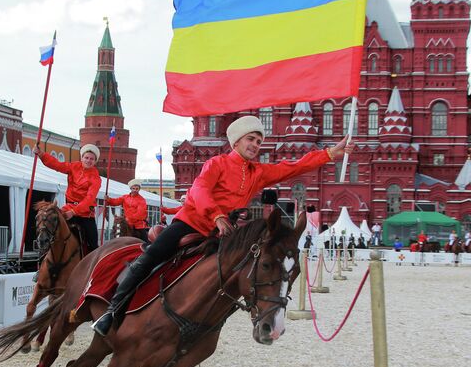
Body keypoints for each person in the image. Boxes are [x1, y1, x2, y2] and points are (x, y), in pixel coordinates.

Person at [92, 115, 353, 337]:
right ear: (236, 141)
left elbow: (292, 167)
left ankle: (193, 337)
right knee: (150, 257)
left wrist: (330, 154)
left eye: (259, 141)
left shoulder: (258, 172)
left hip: (221, 232)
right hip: (191, 222)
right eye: (251, 139)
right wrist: (217, 215)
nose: (255, 145)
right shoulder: (215, 163)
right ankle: (113, 311)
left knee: (229, 281)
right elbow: (200, 190)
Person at [35, 144, 102, 253]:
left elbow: (89, 199)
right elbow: (57, 165)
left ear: (95, 161)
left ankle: (93, 265)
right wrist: (42, 154)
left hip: (85, 213)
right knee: (50, 224)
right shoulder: (74, 166)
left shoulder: (96, 178)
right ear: (82, 158)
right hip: (68, 207)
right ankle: (45, 255)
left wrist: (74, 211)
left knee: (93, 244)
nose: (88, 161)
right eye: (86, 157)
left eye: (92, 159)